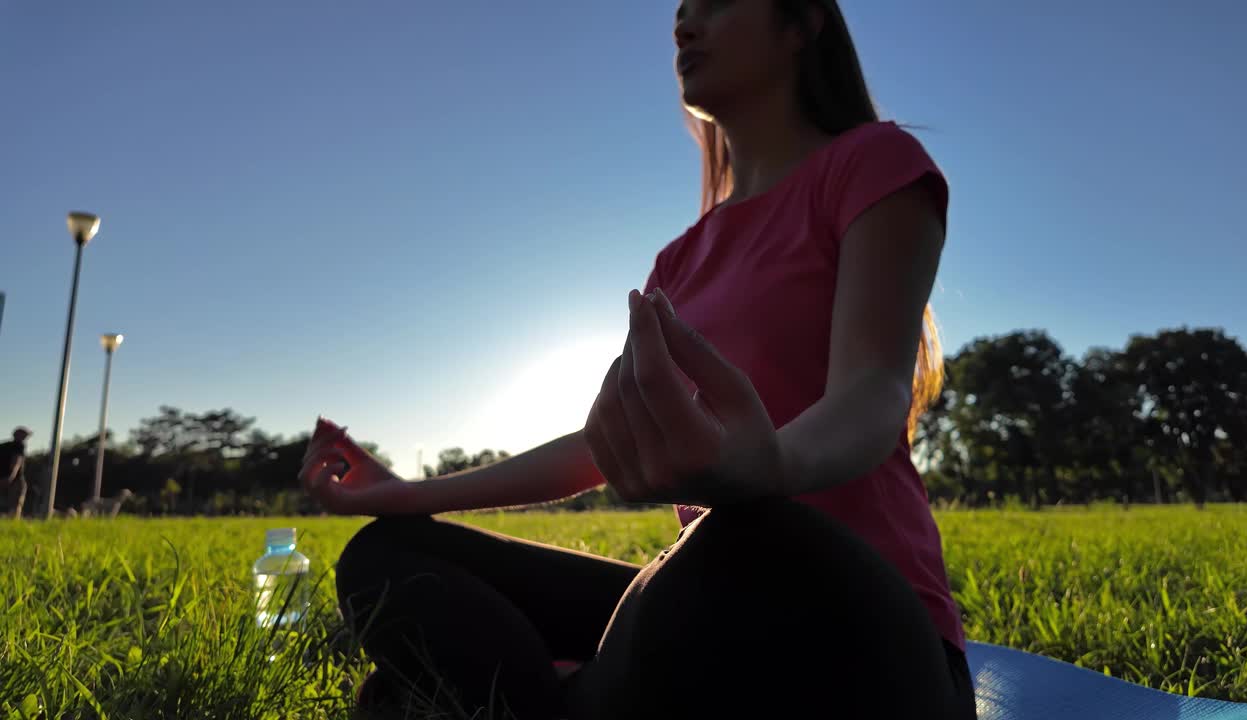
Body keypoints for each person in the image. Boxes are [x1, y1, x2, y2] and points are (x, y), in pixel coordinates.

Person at [302, 1, 975, 718]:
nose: (685, 28)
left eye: (716, 5)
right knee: (388, 558)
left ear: (803, 22)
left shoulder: (873, 163)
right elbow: (601, 443)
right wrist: (405, 496)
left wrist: (768, 467)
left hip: (859, 622)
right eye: (681, 14)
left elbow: (871, 391)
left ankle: (522, 696)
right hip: (709, 607)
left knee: (741, 531)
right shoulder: (679, 261)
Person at [1, 427, 32, 520]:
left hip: (3, 477)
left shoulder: (3, 445)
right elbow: (16, 461)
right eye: (25, 435)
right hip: (15, 479)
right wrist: (11, 476)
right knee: (16, 504)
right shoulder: (20, 445)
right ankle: (14, 522)